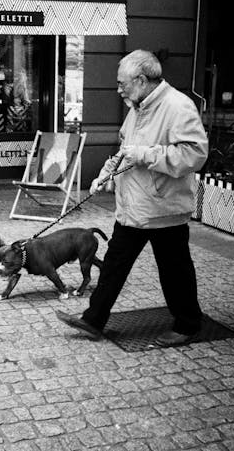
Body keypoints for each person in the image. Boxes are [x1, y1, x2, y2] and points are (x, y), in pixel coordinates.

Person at [55, 49, 208, 347]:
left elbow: (195, 155)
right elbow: (125, 150)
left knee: (174, 270)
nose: (118, 89)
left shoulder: (178, 106)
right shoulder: (137, 107)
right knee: (113, 265)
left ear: (140, 79)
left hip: (164, 208)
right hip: (134, 206)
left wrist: (146, 154)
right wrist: (104, 173)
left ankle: (188, 325)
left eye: (121, 83)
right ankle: (93, 320)